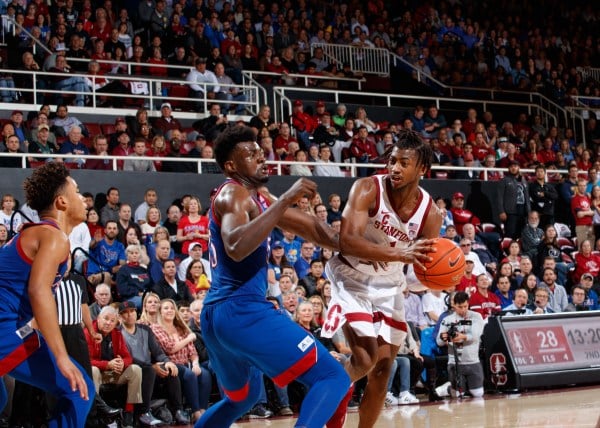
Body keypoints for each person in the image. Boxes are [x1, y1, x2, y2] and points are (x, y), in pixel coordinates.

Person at [196, 125, 350, 428]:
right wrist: (286, 199)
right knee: (333, 377)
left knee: (244, 396)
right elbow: (237, 246)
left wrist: (373, 248)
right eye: (250, 154)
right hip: (241, 310)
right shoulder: (233, 194)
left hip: (217, 315)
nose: (260, 157)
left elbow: (313, 229)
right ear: (231, 166)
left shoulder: (258, 196)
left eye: (259, 151)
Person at [322, 129, 441, 427]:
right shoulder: (367, 188)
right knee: (364, 358)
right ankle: (326, 389)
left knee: (384, 366)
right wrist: (400, 254)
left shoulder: (431, 214)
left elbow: (420, 269)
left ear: (421, 169)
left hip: (388, 285)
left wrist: (436, 278)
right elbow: (347, 240)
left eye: (403, 163)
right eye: (392, 161)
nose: (394, 168)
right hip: (349, 276)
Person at [0, 162, 93, 427]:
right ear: (62, 202)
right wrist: (61, 357)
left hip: (12, 327)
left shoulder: (43, 235)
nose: (84, 198)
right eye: (77, 192)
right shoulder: (53, 236)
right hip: (4, 328)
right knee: (79, 390)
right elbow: (39, 291)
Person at [118, 300, 189, 426]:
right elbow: (128, 358)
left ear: (136, 313)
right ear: (120, 316)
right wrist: (152, 366)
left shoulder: (145, 329)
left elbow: (157, 351)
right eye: (125, 312)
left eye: (132, 311)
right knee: (149, 370)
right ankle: (143, 413)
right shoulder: (118, 333)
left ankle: (178, 410)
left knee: (170, 370)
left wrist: (167, 362)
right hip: (132, 372)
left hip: (149, 371)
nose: (129, 315)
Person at [85, 306, 142, 428]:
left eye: (112, 321)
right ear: (99, 318)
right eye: (106, 319)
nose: (108, 323)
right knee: (93, 370)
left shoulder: (116, 334)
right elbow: (86, 361)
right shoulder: (89, 332)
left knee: (136, 369)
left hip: (113, 374)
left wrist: (122, 363)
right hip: (97, 374)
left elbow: (128, 357)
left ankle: (128, 414)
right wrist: (107, 364)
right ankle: (96, 413)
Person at [436, 291, 485, 399]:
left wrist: (463, 337)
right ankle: (448, 388)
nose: (463, 310)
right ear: (454, 305)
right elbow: (439, 341)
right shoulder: (447, 320)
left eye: (465, 306)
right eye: (460, 307)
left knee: (478, 393)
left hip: (473, 361)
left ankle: (452, 387)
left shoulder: (476, 316)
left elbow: (476, 335)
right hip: (455, 362)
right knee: (458, 394)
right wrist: (447, 338)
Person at [497, 160, 530, 239]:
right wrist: (501, 211)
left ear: (518, 168)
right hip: (510, 212)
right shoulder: (504, 180)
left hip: (523, 212)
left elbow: (527, 198)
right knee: (510, 234)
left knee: (522, 234)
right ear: (508, 168)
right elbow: (499, 197)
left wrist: (529, 212)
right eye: (511, 166)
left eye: (515, 166)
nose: (513, 168)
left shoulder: (524, 181)